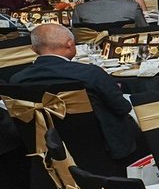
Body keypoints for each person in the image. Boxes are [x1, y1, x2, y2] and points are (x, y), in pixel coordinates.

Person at [9, 23, 141, 162]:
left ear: (34, 49)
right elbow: (122, 108)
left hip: (47, 146)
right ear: (70, 44)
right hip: (101, 146)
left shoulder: (17, 80)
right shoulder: (90, 74)